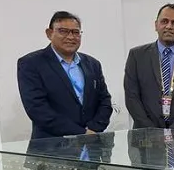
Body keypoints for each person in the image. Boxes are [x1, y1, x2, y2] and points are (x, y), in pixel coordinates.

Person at [17, 11, 113, 139]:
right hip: (52, 145)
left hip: (92, 142)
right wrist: (81, 133)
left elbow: (104, 101)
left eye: (75, 32)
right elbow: (37, 108)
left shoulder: (93, 64)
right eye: (63, 31)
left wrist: (94, 129)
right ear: (49, 33)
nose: (70, 37)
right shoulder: (31, 63)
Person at [123, 3, 174, 130]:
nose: (169, 26)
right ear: (156, 25)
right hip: (145, 134)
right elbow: (132, 97)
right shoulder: (137, 56)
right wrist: (152, 131)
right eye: (164, 21)